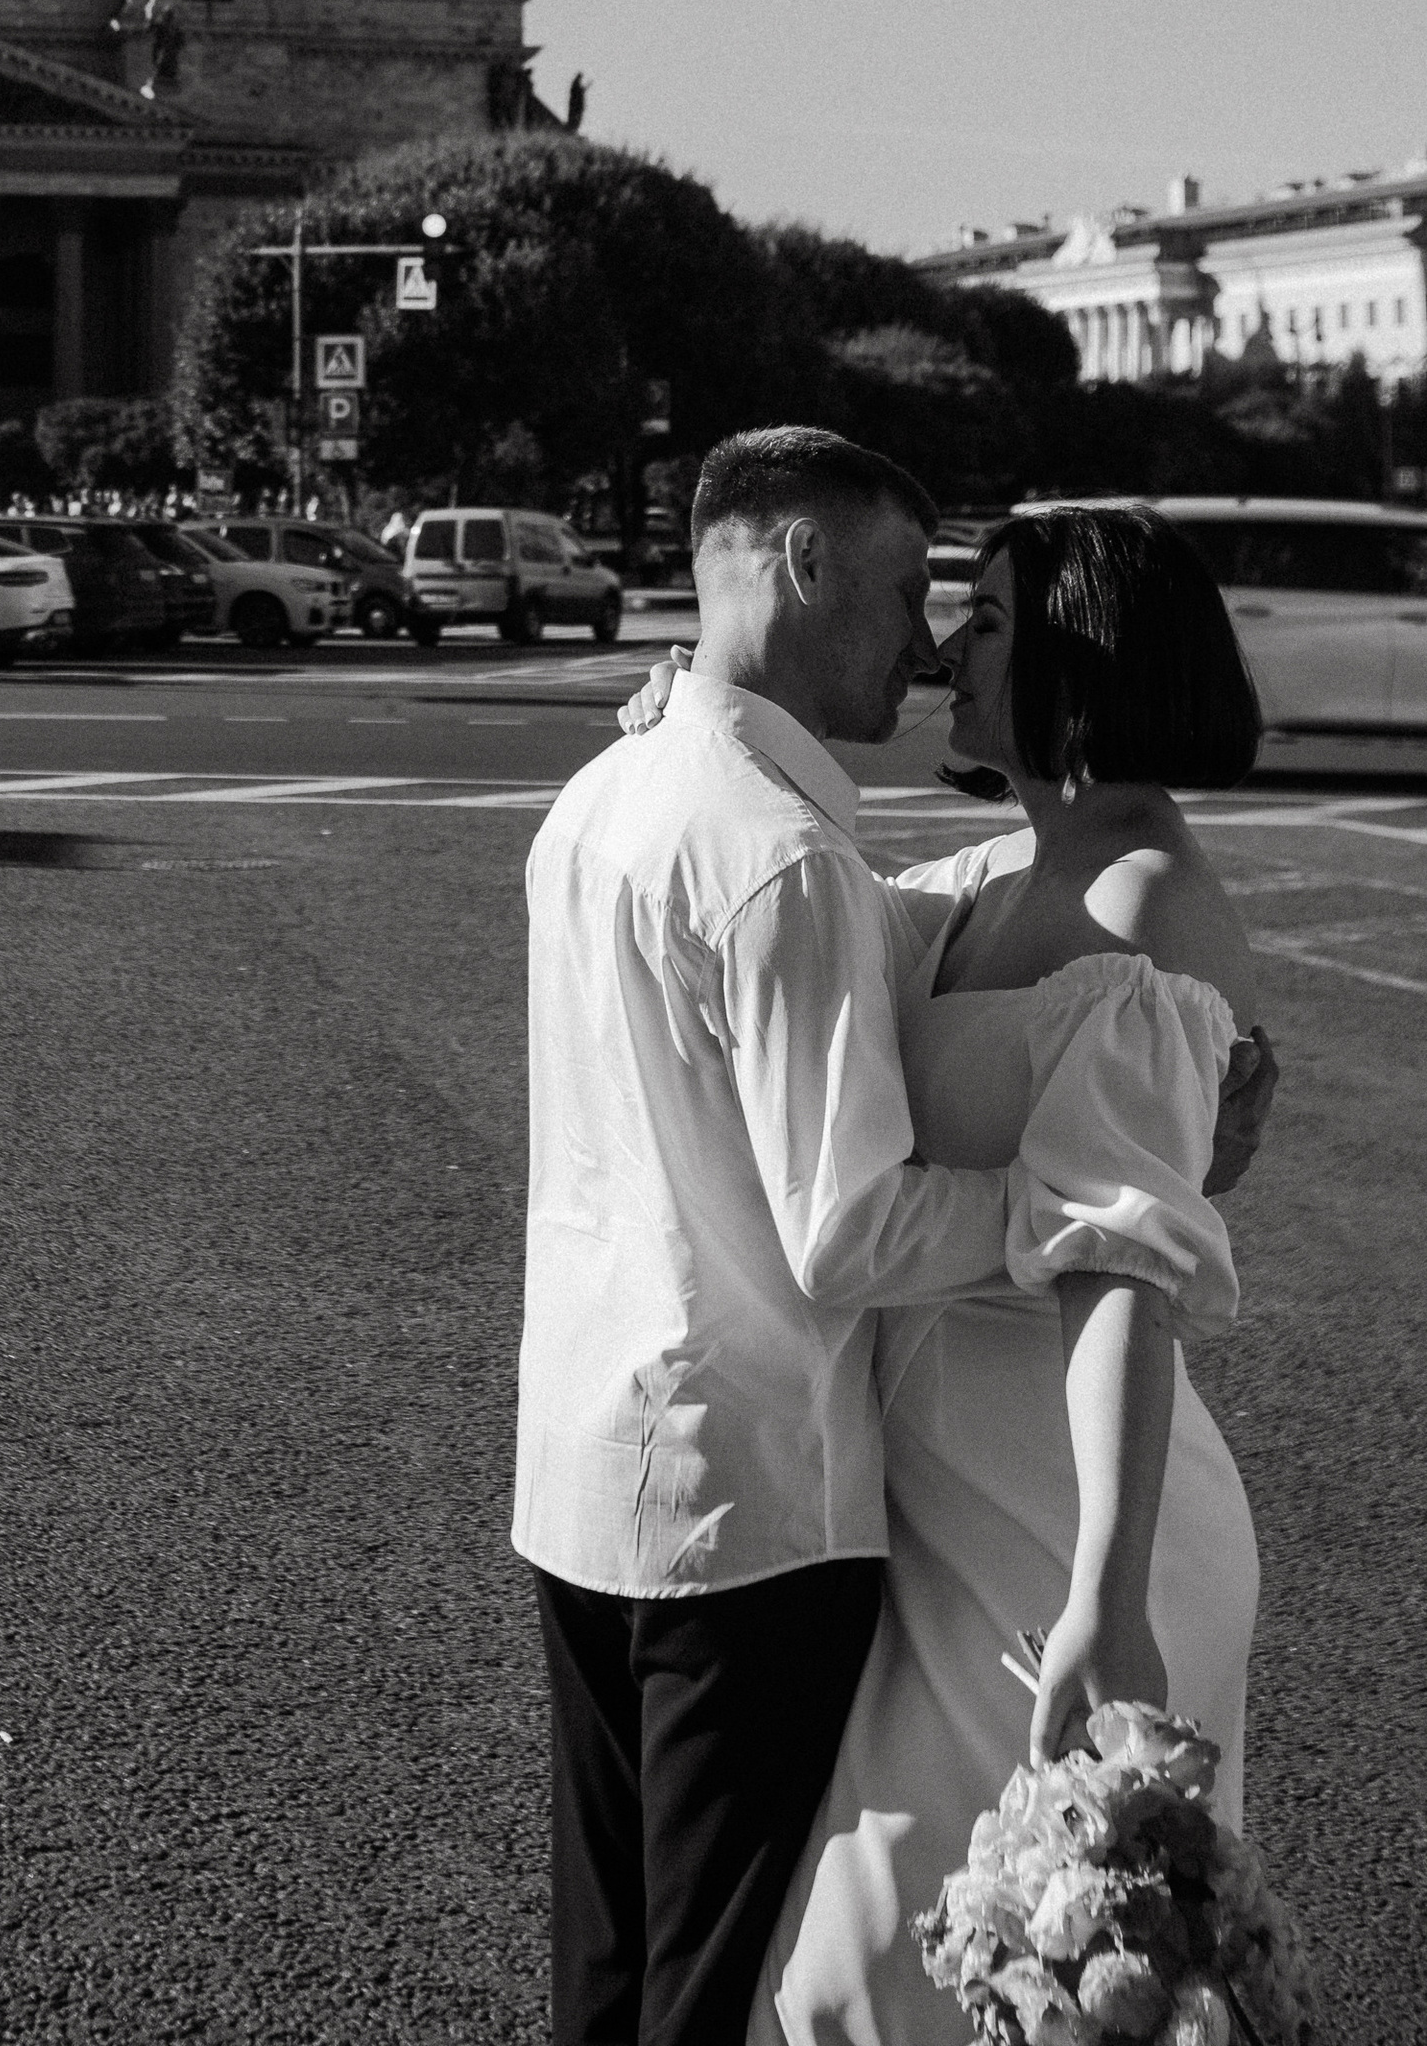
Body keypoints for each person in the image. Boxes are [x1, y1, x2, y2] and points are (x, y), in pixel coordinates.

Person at [517, 428, 1026, 2046]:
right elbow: (853, 1229)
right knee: (716, 1987)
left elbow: (834, 928)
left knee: (608, 1960)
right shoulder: (785, 856)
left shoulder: (605, 792)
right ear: (802, 567)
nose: (930, 646)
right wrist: (1093, 1204)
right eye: (901, 593)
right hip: (751, 1508)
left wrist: (1027, 857)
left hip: (588, 1469)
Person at [746, 505, 1268, 2044]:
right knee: (881, 1967)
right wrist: (702, 715)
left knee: (969, 1970)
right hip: (934, 1504)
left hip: (1070, 1527)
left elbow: (1119, 1268)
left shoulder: (1144, 898)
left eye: (985, 619)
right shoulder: (999, 873)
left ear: (1083, 650)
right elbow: (815, 886)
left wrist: (1108, 1589)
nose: (946, 648)